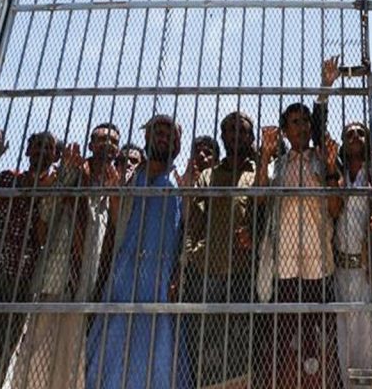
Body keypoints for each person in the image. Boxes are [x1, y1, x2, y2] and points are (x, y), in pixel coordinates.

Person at [11, 123, 120, 389]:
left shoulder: (111, 185)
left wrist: (114, 192)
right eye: (101, 140)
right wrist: (66, 179)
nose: (108, 145)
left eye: (113, 142)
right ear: (91, 145)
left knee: (70, 359)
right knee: (37, 354)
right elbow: (45, 216)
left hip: (85, 284)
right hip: (55, 277)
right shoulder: (73, 173)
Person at [85, 115, 185, 389]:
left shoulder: (179, 183)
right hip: (125, 275)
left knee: (156, 350)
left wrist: (179, 271)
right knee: (112, 347)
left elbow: (185, 233)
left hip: (161, 279)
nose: (162, 138)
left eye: (169, 135)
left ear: (177, 145)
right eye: (157, 132)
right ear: (147, 137)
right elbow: (118, 224)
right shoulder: (130, 179)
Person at [254, 102, 344, 389]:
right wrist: (265, 156)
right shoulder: (278, 165)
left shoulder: (323, 160)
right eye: (295, 122)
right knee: (283, 345)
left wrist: (331, 167)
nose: (302, 127)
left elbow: (335, 208)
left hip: (320, 265)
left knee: (321, 344)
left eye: (306, 121)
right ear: (284, 130)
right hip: (285, 267)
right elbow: (260, 199)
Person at [0, 130, 56, 389]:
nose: (42, 151)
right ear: (28, 150)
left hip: (24, 270)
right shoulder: (8, 177)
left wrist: (44, 195)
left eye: (48, 147)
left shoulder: (54, 186)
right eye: (37, 145)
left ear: (55, 156)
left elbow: (45, 234)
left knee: (8, 338)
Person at [178, 112, 256, 387]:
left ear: (251, 137)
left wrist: (253, 235)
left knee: (240, 346)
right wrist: (194, 255)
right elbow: (193, 222)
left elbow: (265, 216)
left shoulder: (256, 176)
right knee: (205, 343)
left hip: (243, 274)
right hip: (207, 271)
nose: (236, 135)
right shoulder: (208, 176)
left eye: (242, 130)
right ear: (223, 136)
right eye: (230, 130)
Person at [334, 122, 372, 387]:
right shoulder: (337, 172)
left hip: (365, 266)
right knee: (344, 336)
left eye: (360, 133)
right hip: (340, 266)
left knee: (369, 334)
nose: (355, 137)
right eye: (349, 134)